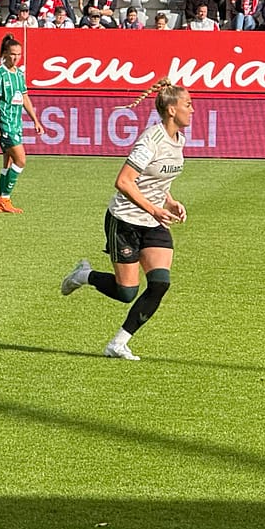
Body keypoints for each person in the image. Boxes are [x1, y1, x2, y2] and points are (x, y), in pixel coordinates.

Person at [59, 78, 192, 361]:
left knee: (160, 283)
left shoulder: (179, 139)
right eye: (188, 104)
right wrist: (154, 209)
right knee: (126, 292)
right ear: (171, 109)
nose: (192, 110)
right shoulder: (150, 140)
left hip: (154, 221)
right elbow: (124, 181)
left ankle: (118, 344)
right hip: (125, 220)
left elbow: (155, 180)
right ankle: (83, 275)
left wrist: (169, 201)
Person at [0, 35, 44, 214]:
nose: (16, 58)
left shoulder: (19, 73)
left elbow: (25, 97)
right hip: (5, 123)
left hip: (16, 123)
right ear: (5, 54)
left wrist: (35, 120)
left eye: (19, 55)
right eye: (12, 54)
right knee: (21, 160)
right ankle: (4, 198)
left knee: (8, 162)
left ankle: (3, 201)